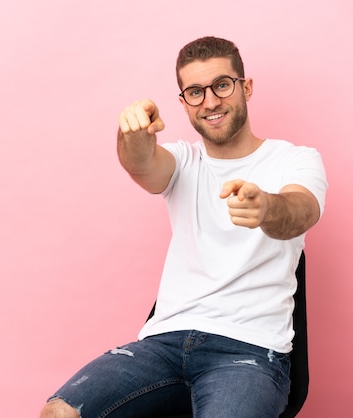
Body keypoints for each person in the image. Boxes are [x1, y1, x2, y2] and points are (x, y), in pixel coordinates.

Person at [40, 36, 327, 418]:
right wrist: (135, 134)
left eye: (222, 85)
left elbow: (301, 209)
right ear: (183, 103)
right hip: (164, 344)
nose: (209, 102)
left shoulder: (295, 160)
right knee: (60, 413)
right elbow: (141, 163)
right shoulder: (182, 161)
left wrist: (266, 207)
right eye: (195, 92)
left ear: (247, 87)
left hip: (249, 350)